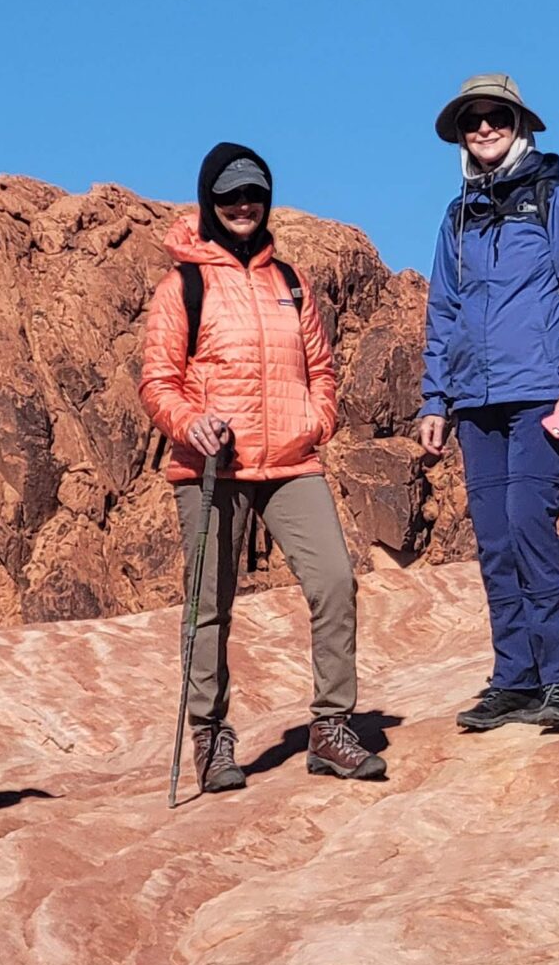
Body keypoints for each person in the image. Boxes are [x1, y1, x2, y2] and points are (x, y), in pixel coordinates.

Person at [138, 142, 385, 789]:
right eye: (229, 196)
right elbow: (158, 382)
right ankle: (211, 738)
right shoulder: (182, 285)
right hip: (211, 465)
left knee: (334, 581)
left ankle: (332, 727)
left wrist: (316, 420)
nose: (243, 206)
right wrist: (192, 423)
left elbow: (322, 369)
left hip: (291, 463)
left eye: (253, 194)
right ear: (209, 202)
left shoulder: (290, 283)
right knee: (209, 605)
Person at [417, 75, 559, 734]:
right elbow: (442, 309)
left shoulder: (558, 200)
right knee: (495, 540)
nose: (484, 128)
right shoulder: (457, 215)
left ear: (519, 122)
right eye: (472, 121)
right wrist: (434, 399)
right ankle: (514, 679)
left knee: (529, 523)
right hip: (474, 402)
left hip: (540, 395)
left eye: (496, 117)